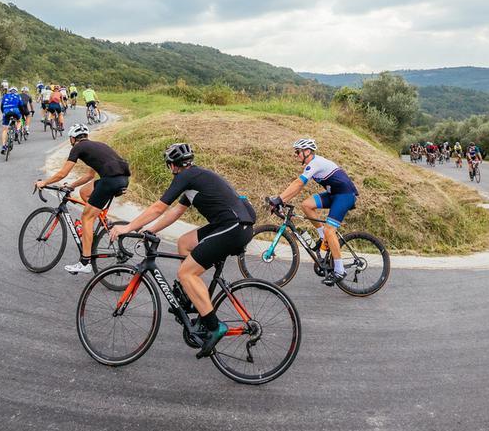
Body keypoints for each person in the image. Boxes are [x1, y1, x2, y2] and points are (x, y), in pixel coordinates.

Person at [110, 143, 255, 357]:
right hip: (231, 225)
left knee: (186, 272)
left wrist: (129, 227)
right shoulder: (194, 178)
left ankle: (215, 327)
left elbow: (159, 207)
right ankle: (192, 297)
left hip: (233, 227)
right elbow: (175, 212)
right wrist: (148, 229)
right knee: (184, 243)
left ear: (172, 166)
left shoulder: (185, 178)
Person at [34, 124, 131, 273]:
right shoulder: (97, 146)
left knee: (86, 217)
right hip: (122, 180)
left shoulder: (78, 148)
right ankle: (101, 223)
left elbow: (63, 173)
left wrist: (44, 182)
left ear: (73, 138)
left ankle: (85, 262)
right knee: (85, 192)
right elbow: (89, 176)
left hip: (110, 181)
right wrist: (72, 185)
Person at [266, 138, 359, 286]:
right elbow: (297, 188)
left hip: (345, 195)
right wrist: (281, 200)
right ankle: (324, 238)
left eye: (298, 152)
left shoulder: (315, 163)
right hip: (333, 194)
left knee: (330, 230)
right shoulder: (312, 164)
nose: (296, 155)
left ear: (307, 151)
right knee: (306, 205)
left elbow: (298, 184)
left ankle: (340, 270)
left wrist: (279, 199)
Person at [0, 87, 23, 153]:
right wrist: (21, 114)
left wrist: (3, 113)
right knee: (20, 120)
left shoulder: (5, 95)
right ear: (16, 91)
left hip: (6, 112)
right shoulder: (18, 96)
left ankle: (3, 146)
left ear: (9, 91)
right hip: (15, 111)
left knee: (4, 129)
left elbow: (1, 106)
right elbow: (21, 106)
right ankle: (17, 131)